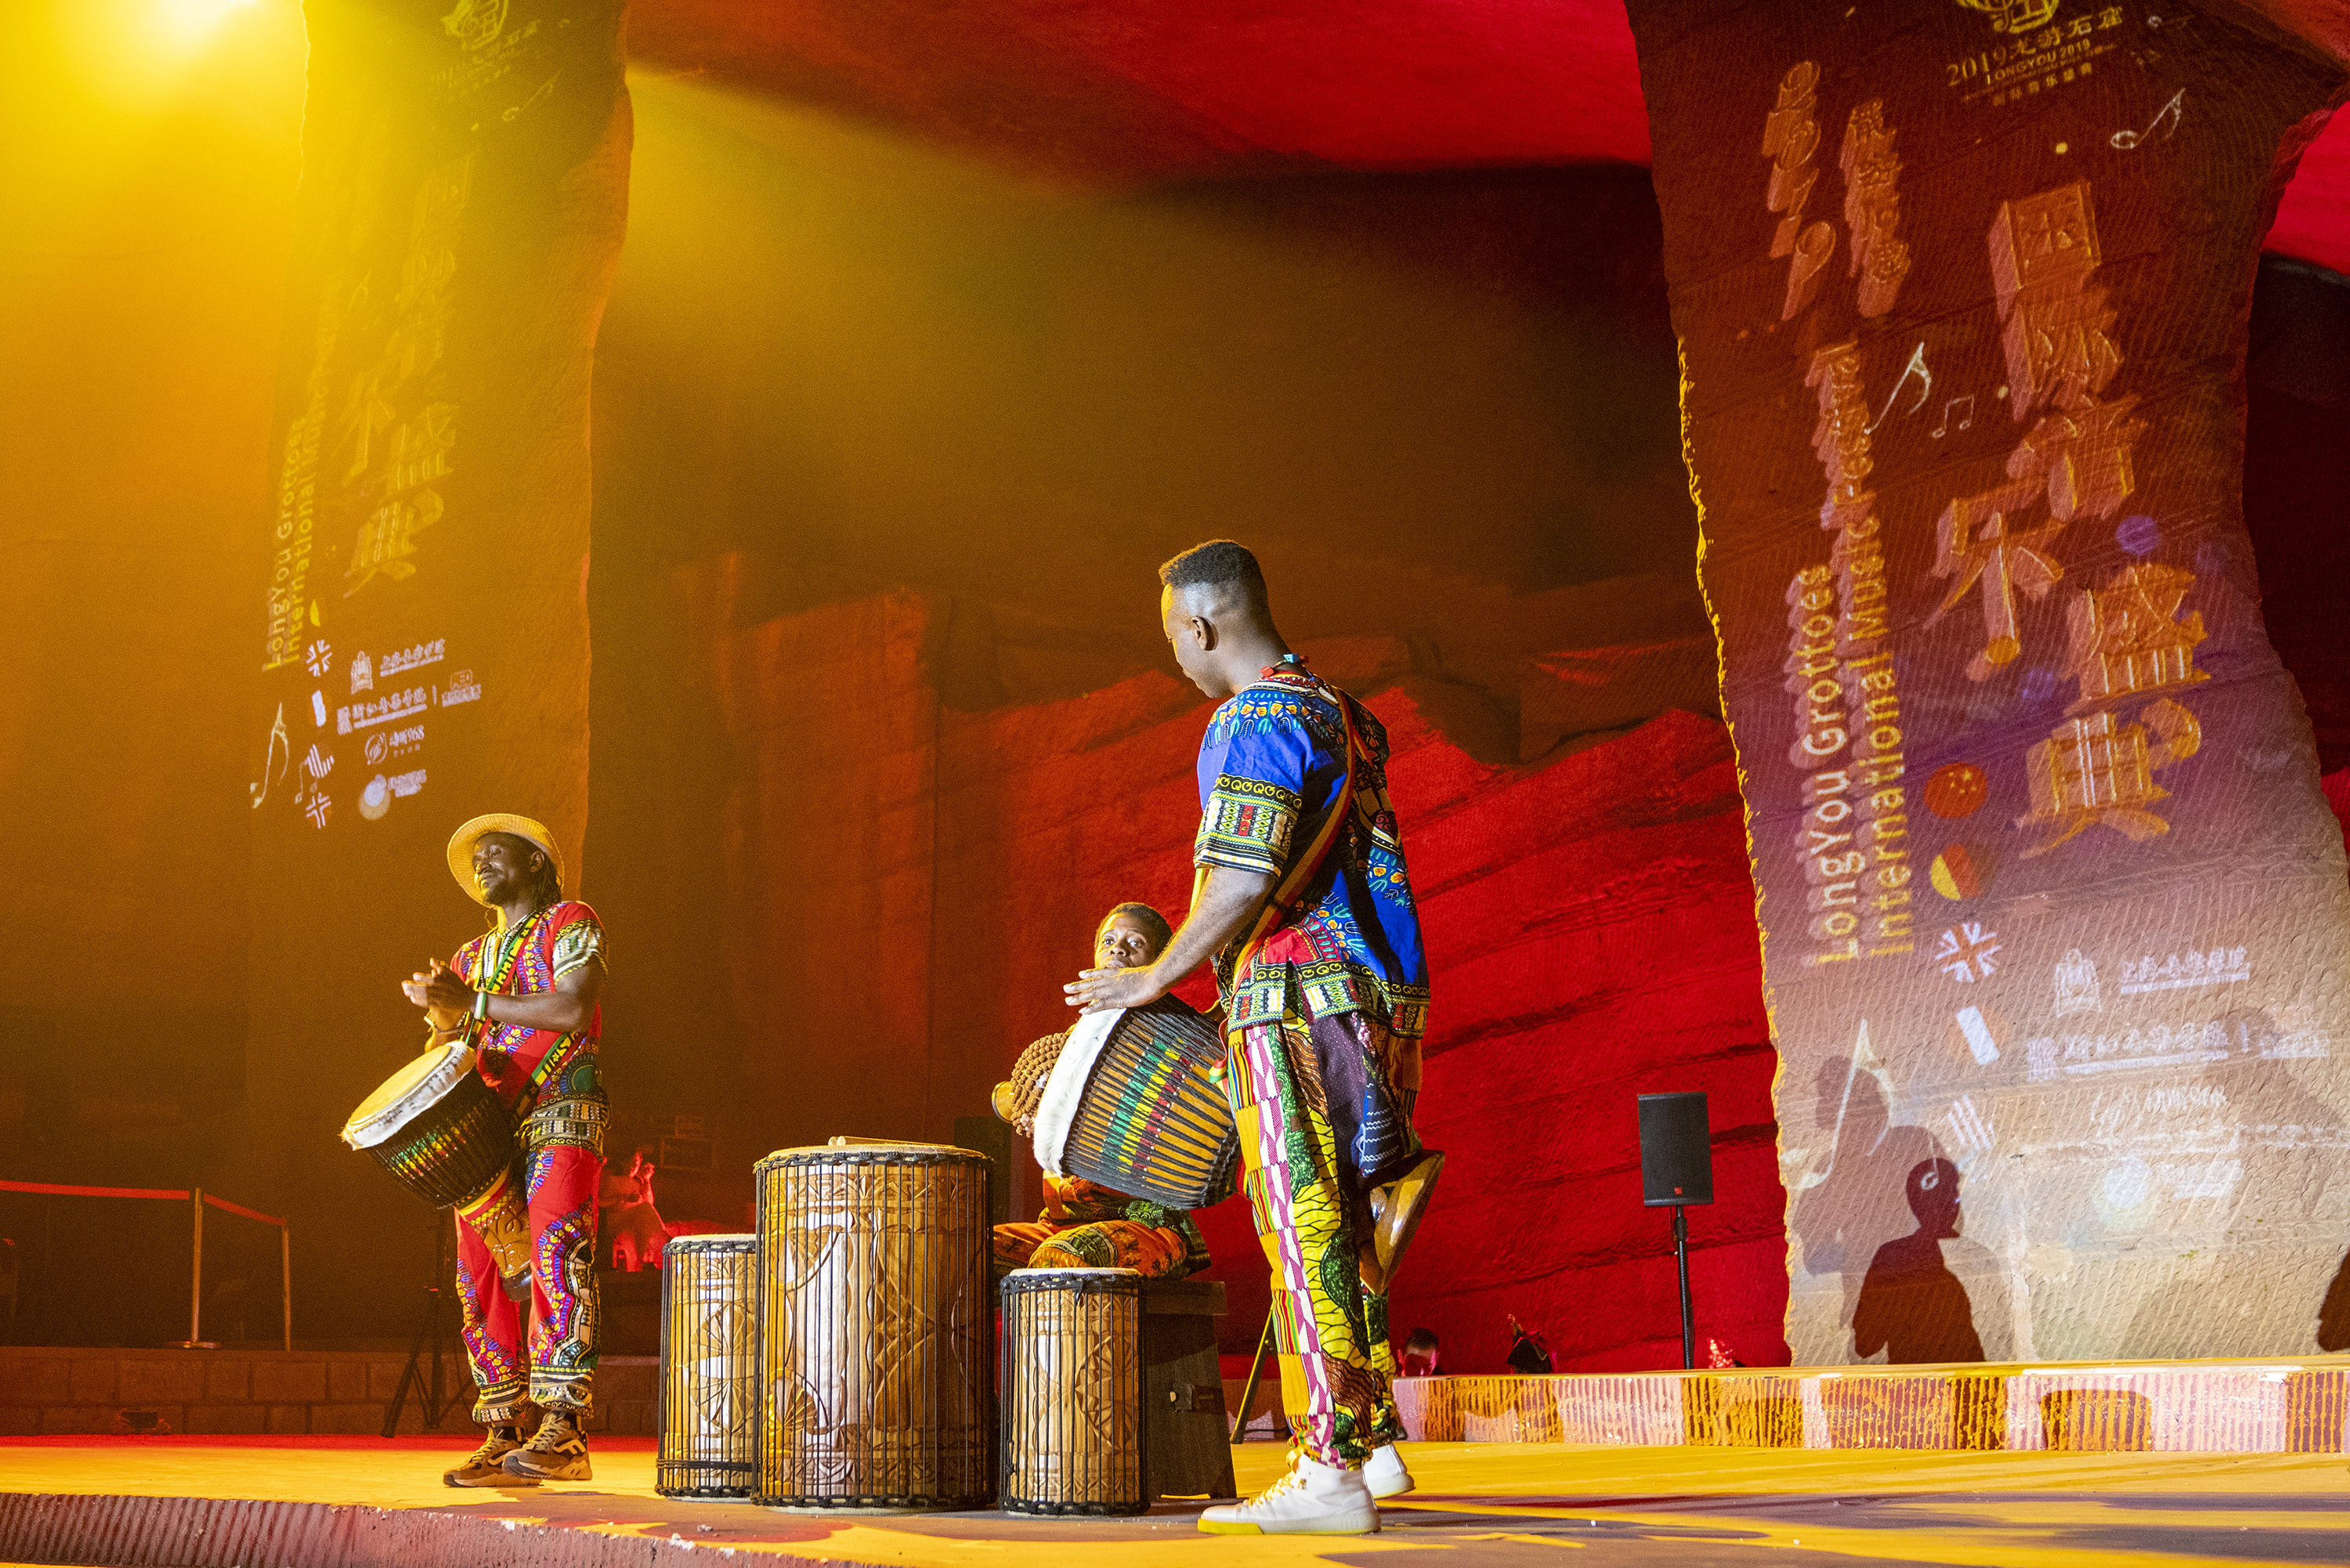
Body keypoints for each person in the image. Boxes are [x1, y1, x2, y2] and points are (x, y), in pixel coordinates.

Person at [1068, 540, 1438, 1536]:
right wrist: (1405, 1022)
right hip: (1360, 999)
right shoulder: (1343, 714)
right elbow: (1386, 879)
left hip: (1287, 998)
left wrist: (1152, 977)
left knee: (1301, 1223)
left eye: (1173, 639)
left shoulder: (1252, 719)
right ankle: (1371, 1443)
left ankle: (1328, 1471)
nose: (1177, 659)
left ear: (1200, 625)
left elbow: (1241, 873)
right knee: (1347, 1223)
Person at [400, 814, 608, 1487]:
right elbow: (448, 1052)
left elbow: (572, 1009)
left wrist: (475, 1002)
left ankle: (565, 1431)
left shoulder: (571, 922)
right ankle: (503, 1431)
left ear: (537, 863)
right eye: (477, 858)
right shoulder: (468, 957)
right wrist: (443, 1017)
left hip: (560, 1107)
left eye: (496, 852)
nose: (482, 863)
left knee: (556, 1255)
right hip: (489, 1129)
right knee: (479, 1274)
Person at [990, 903, 1211, 1280]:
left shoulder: (1177, 1039)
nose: (1118, 949)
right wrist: (1031, 1110)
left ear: (1161, 959)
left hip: (1147, 1226)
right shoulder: (1076, 1038)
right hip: (1062, 1222)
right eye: (1108, 941)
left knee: (1060, 1259)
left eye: (1135, 943)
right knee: (964, 1247)